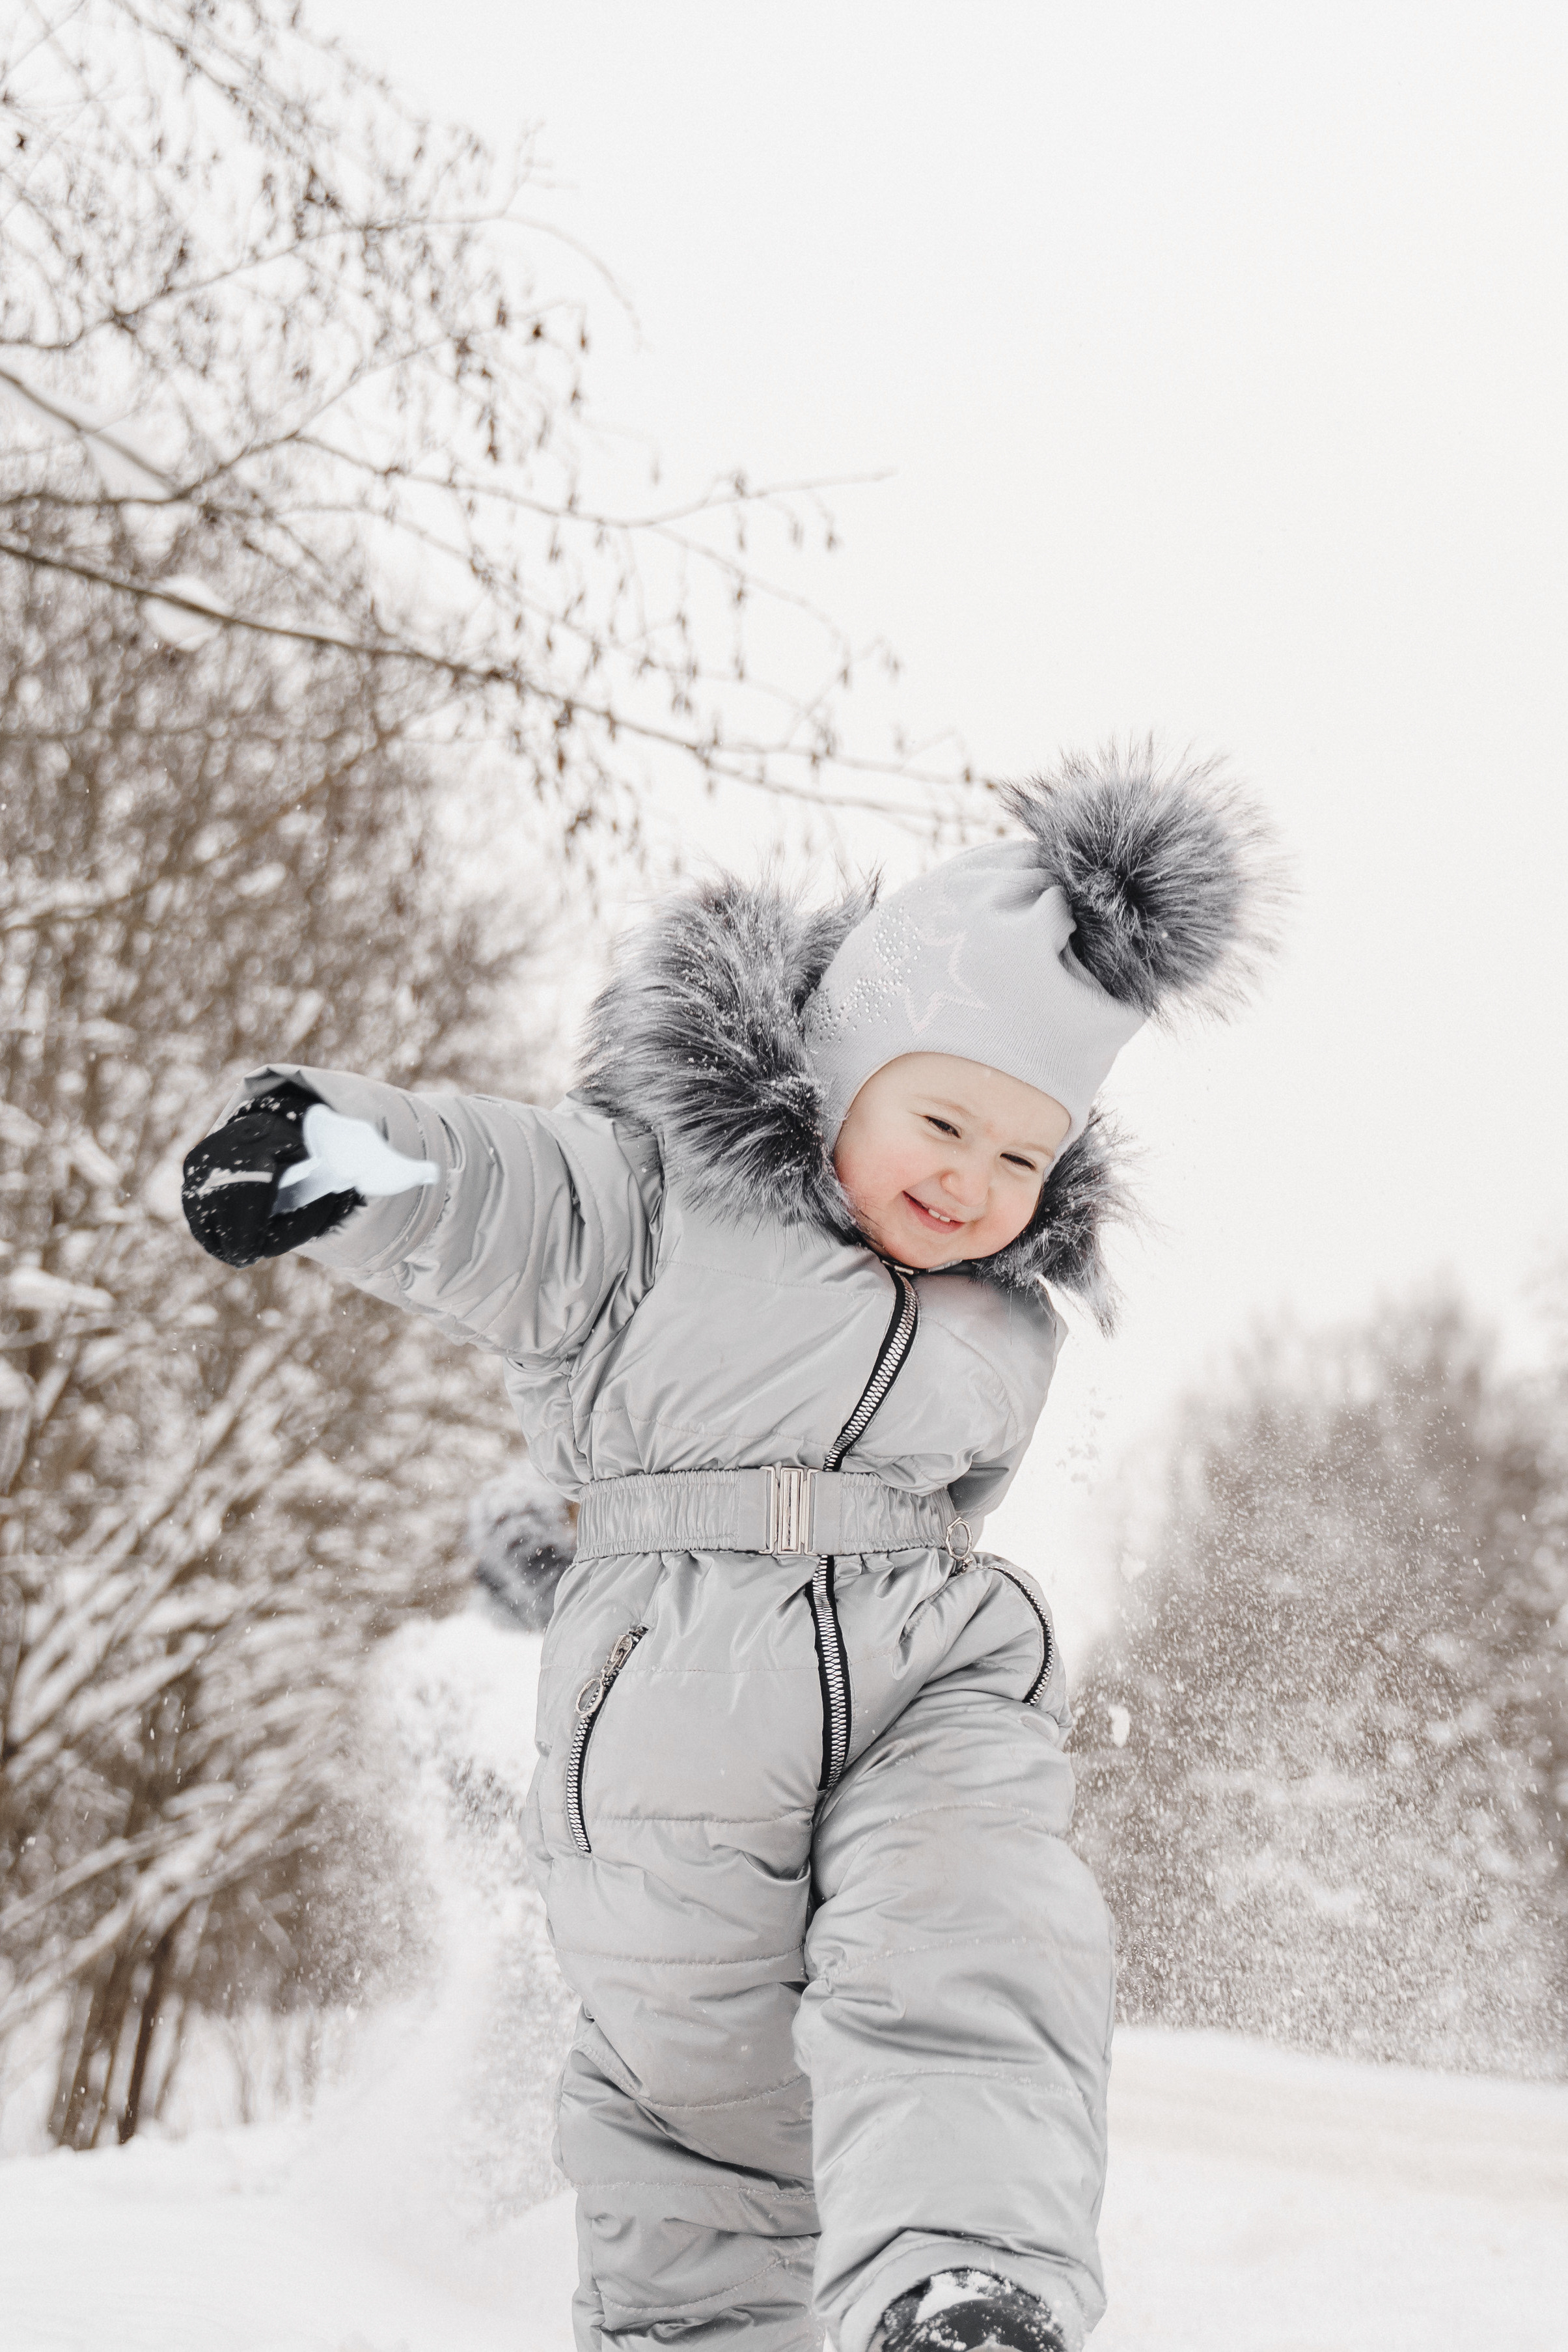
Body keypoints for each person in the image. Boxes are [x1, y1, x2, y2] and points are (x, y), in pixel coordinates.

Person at [182, 747, 1280, 2352]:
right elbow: (506, 1196)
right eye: (943, 1118)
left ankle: (959, 2276)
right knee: (689, 2133)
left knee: (973, 1928)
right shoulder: (658, 1203)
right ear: (838, 1070)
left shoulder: (1005, 1314)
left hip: (925, 1676)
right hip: (668, 1692)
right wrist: (342, 1157)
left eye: (1020, 1158)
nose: (972, 1181)